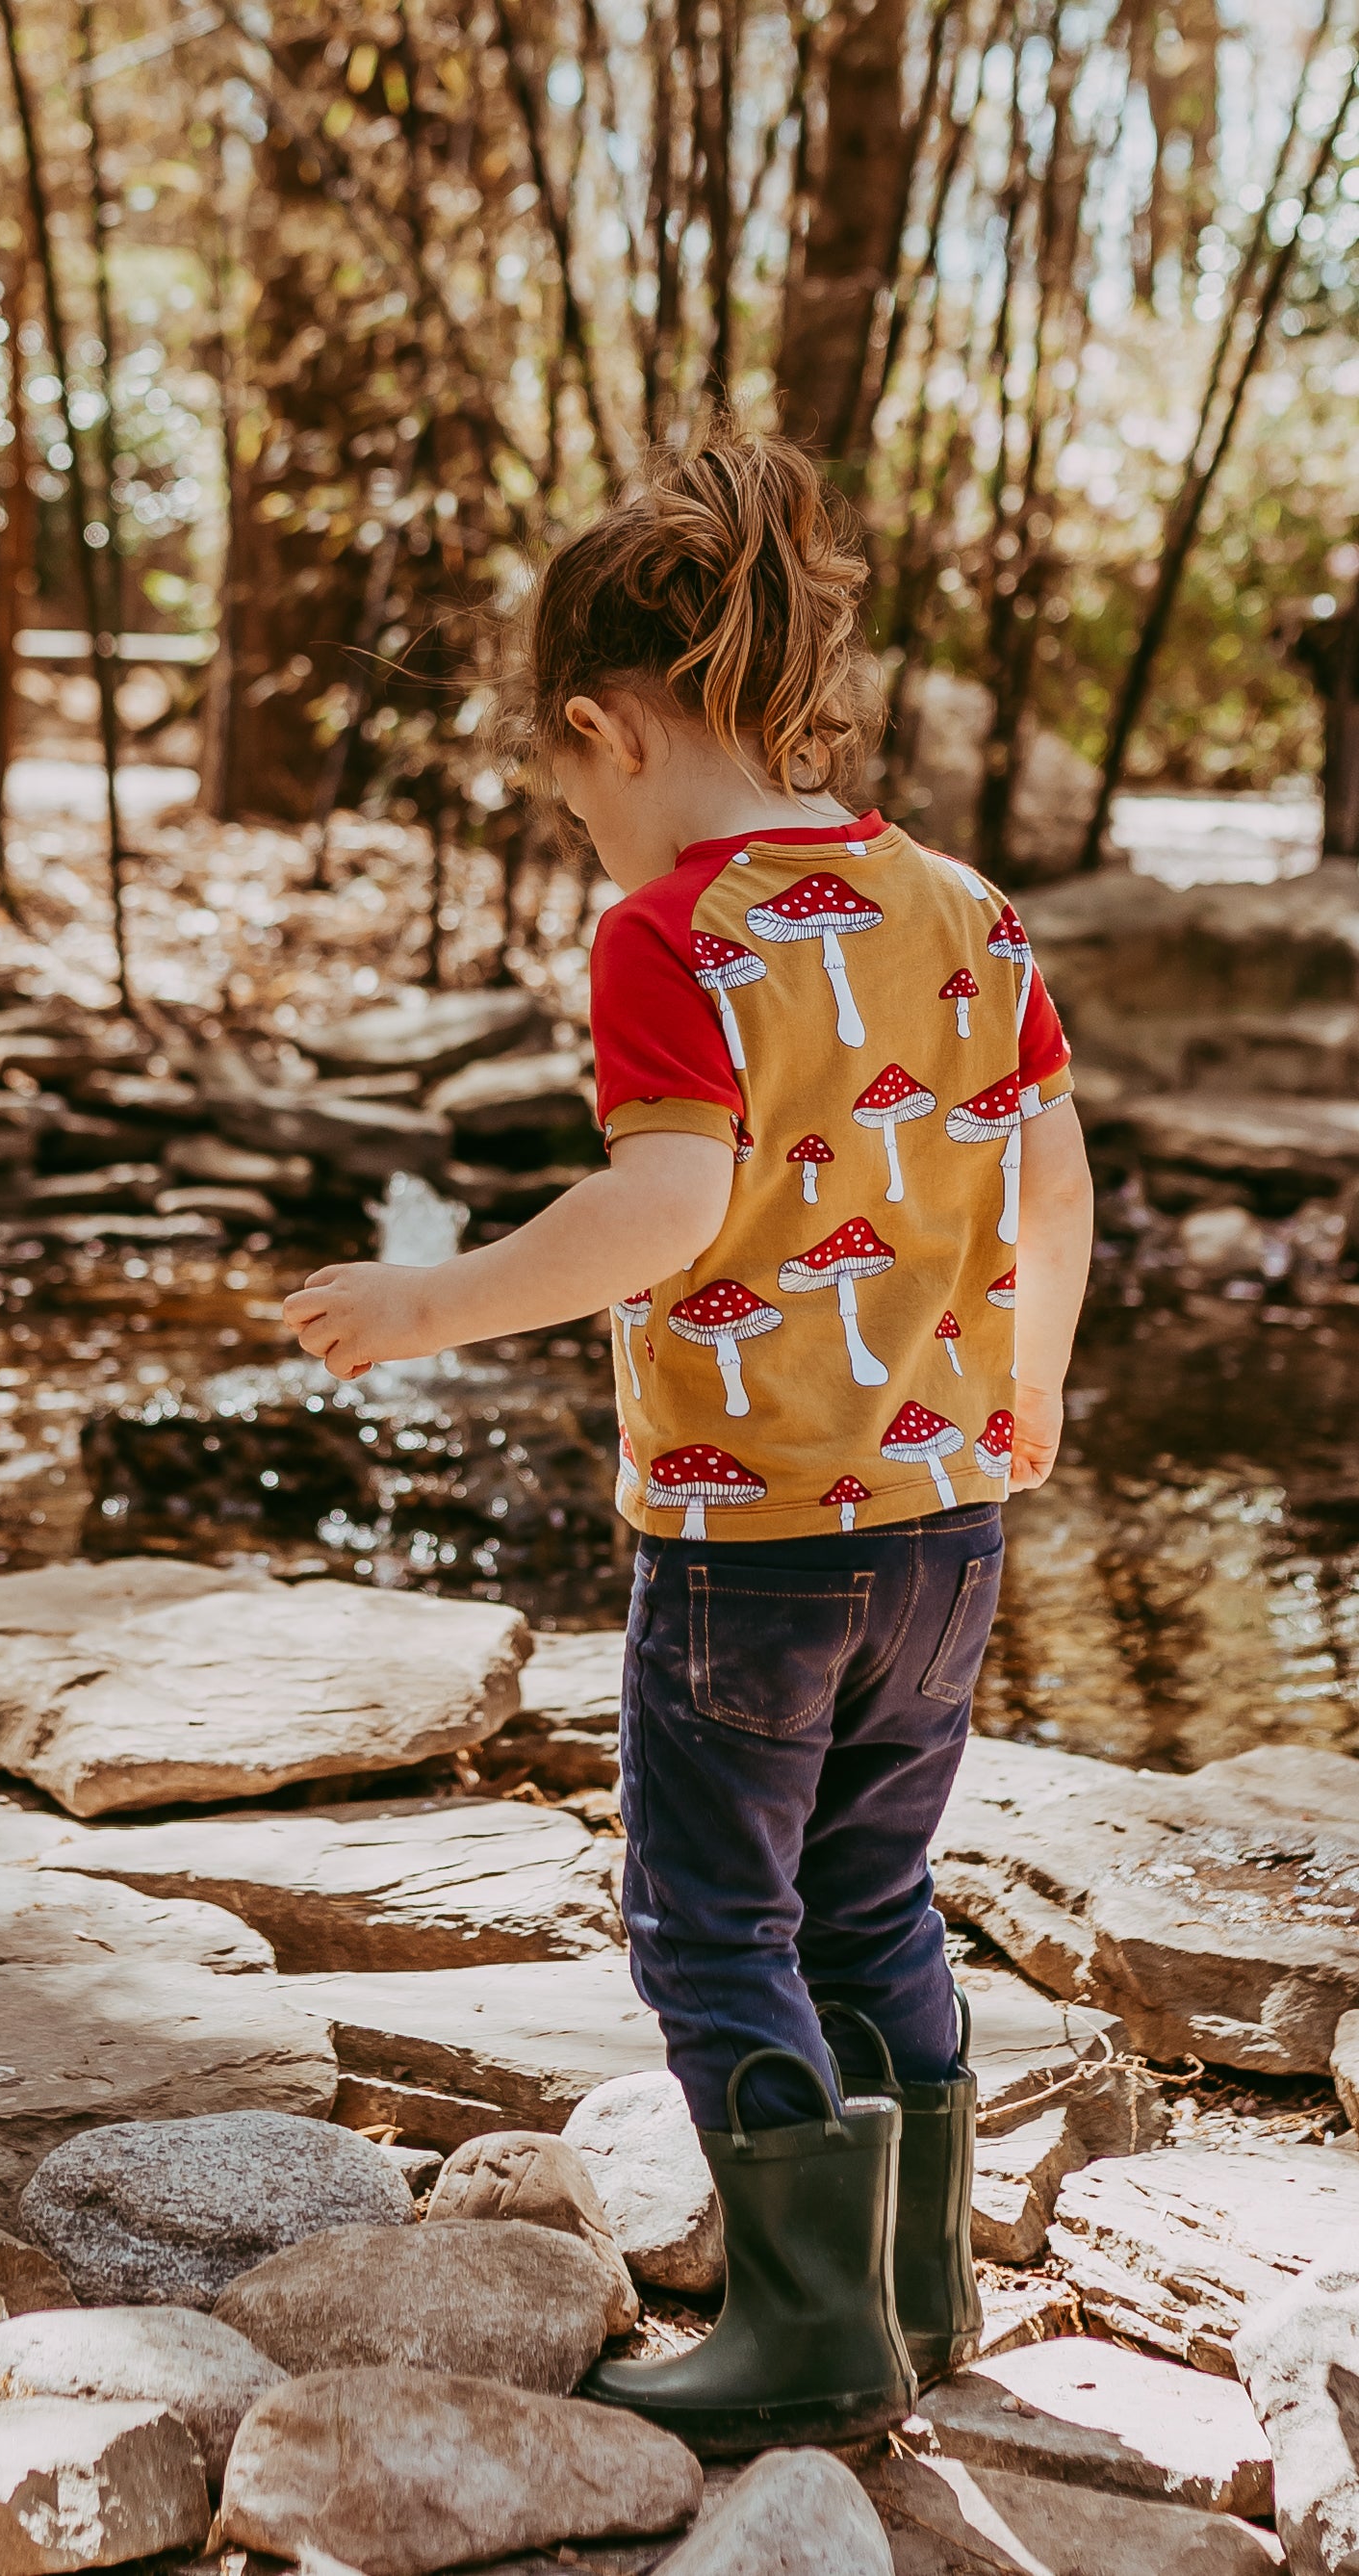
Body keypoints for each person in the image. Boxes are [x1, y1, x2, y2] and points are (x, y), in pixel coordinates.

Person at [284, 425, 1093, 2456]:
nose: (584, 836)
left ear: (598, 727)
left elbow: (664, 1211)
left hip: (753, 1543)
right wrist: (1031, 1385)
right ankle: (921, 2288)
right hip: (944, 1519)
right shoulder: (963, 910)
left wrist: (434, 1297)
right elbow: (1052, 1183)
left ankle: (805, 2325)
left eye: (565, 794)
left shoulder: (672, 937)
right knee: (877, 1900)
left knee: (709, 1917)